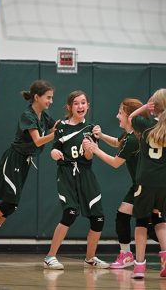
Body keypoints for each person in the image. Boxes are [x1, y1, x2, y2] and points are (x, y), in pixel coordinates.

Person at [84, 98, 166, 272]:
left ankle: (132, 256)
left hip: (145, 185)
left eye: (120, 113)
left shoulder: (134, 139)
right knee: (145, 222)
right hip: (143, 183)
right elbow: (118, 142)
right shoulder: (132, 134)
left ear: (130, 116)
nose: (117, 116)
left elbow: (116, 163)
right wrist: (101, 137)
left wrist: (95, 149)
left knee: (138, 220)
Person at [0, 79, 59, 263]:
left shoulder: (44, 116)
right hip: (13, 159)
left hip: (25, 162)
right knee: (9, 202)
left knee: (11, 206)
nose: (51, 101)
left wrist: (69, 123)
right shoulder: (27, 115)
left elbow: (56, 126)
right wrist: (55, 134)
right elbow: (38, 141)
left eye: (52, 98)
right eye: (48, 97)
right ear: (37, 97)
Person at [43, 90, 109, 270]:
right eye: (76, 103)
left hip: (86, 174)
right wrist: (54, 153)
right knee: (70, 213)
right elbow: (53, 149)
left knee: (98, 219)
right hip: (66, 173)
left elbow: (88, 158)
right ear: (70, 107)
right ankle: (50, 256)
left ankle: (90, 258)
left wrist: (89, 149)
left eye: (83, 103)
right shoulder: (62, 127)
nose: (80, 106)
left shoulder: (92, 129)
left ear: (88, 105)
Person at [128, 88, 166, 278]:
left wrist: (144, 107)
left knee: (142, 221)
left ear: (154, 107)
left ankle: (140, 266)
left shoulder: (145, 124)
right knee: (159, 217)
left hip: (147, 180)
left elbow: (130, 118)